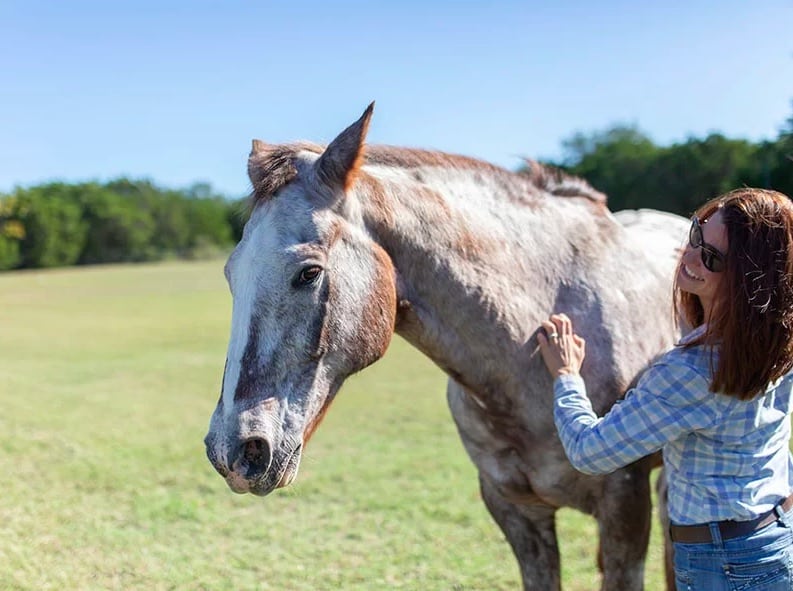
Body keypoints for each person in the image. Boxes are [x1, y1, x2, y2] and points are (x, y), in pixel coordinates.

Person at [537, 187, 793, 590]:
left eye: (710, 258)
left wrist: (567, 375)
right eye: (695, 234)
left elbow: (590, 452)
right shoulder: (779, 341)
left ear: (747, 279)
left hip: (720, 562)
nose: (688, 257)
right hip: (774, 536)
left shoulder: (691, 371)